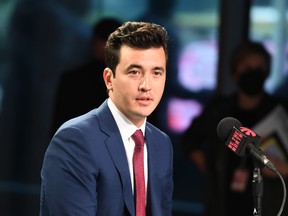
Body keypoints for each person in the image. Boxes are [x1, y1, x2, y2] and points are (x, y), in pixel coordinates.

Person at [40, 21, 174, 216]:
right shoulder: (75, 140)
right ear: (109, 79)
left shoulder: (161, 144)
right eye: (135, 72)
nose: (146, 85)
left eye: (156, 73)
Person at [182, 41, 288, 216]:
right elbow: (190, 141)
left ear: (267, 72)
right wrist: (210, 170)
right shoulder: (219, 110)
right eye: (247, 67)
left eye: (259, 67)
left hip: (268, 205)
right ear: (235, 72)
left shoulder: (280, 111)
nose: (253, 72)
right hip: (223, 205)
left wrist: (281, 170)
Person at [51, 17, 122, 134]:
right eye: (102, 40)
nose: (105, 47)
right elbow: (60, 128)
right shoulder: (72, 81)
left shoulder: (130, 82)